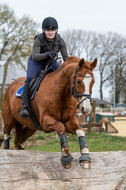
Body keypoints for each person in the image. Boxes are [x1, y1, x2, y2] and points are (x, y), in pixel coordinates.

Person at [20, 16, 69, 118]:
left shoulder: (60, 41)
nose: (50, 32)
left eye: (52, 30)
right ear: (44, 31)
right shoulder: (38, 39)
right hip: (36, 62)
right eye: (47, 30)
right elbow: (35, 56)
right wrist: (47, 54)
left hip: (51, 62)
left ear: (56, 30)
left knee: (65, 76)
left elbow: (66, 59)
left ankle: (69, 105)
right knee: (29, 78)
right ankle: (25, 106)